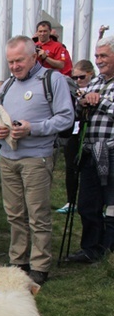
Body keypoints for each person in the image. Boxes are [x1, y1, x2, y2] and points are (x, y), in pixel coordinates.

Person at [0, 35, 74, 283]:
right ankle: (18, 259)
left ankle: (40, 265)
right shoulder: (6, 86)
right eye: (10, 62)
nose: (15, 66)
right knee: (15, 214)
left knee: (38, 213)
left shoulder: (52, 80)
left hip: (36, 159)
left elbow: (66, 118)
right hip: (8, 157)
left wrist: (32, 128)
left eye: (19, 61)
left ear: (34, 57)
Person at [65, 37, 114, 263]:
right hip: (90, 150)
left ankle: (109, 250)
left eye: (103, 55)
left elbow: (106, 106)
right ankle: (91, 249)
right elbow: (79, 108)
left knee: (112, 203)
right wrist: (82, 103)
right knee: (87, 203)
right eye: (97, 56)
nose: (99, 60)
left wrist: (99, 100)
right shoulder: (94, 82)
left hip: (111, 152)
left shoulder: (100, 89)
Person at [57, 60, 97, 214]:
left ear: (90, 74)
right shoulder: (71, 89)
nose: (78, 81)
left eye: (81, 77)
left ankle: (94, 204)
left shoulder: (96, 87)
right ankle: (71, 201)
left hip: (89, 132)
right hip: (73, 132)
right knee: (70, 167)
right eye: (74, 78)